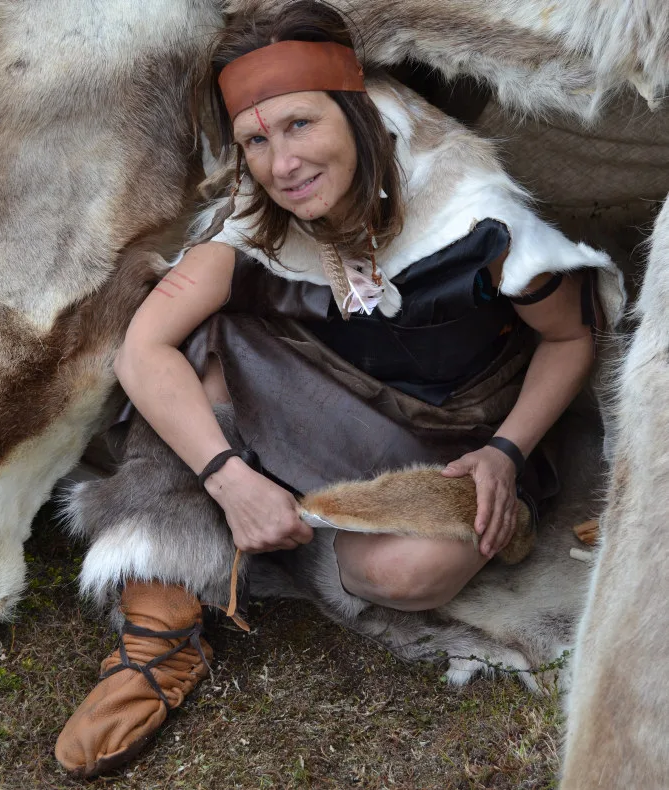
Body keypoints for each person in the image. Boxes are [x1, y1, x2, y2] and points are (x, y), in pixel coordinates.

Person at [54, 0, 625, 778]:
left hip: (449, 428)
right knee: (193, 354)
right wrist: (227, 479)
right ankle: (160, 628)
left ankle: (262, 536)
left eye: (299, 125)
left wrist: (503, 451)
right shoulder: (255, 223)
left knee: (405, 575)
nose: (280, 164)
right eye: (256, 140)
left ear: (352, 115)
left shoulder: (473, 221)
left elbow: (569, 337)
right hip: (305, 390)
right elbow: (143, 349)